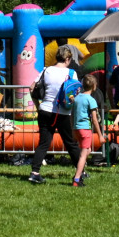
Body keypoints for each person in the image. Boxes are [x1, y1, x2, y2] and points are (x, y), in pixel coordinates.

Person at [28, 44, 80, 184]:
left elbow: (31, 87)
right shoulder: (71, 73)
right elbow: (76, 92)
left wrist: (38, 105)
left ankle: (35, 172)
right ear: (68, 59)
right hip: (62, 112)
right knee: (70, 143)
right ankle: (81, 170)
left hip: (45, 110)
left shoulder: (46, 70)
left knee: (44, 143)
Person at [69, 71, 103, 186]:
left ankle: (78, 174)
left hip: (77, 129)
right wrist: (100, 135)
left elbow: (72, 114)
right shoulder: (91, 100)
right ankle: (77, 179)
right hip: (85, 129)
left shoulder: (77, 98)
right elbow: (95, 120)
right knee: (84, 154)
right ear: (94, 86)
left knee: (87, 150)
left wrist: (73, 129)